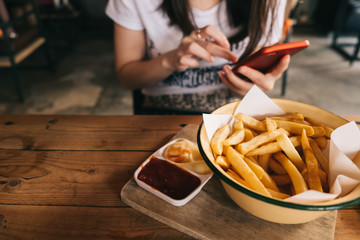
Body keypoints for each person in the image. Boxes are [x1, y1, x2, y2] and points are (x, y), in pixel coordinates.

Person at [106, 0, 290, 114]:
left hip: (235, 110)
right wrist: (170, 60)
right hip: (161, 110)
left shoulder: (267, 2)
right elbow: (127, 78)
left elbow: (250, 79)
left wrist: (252, 86)